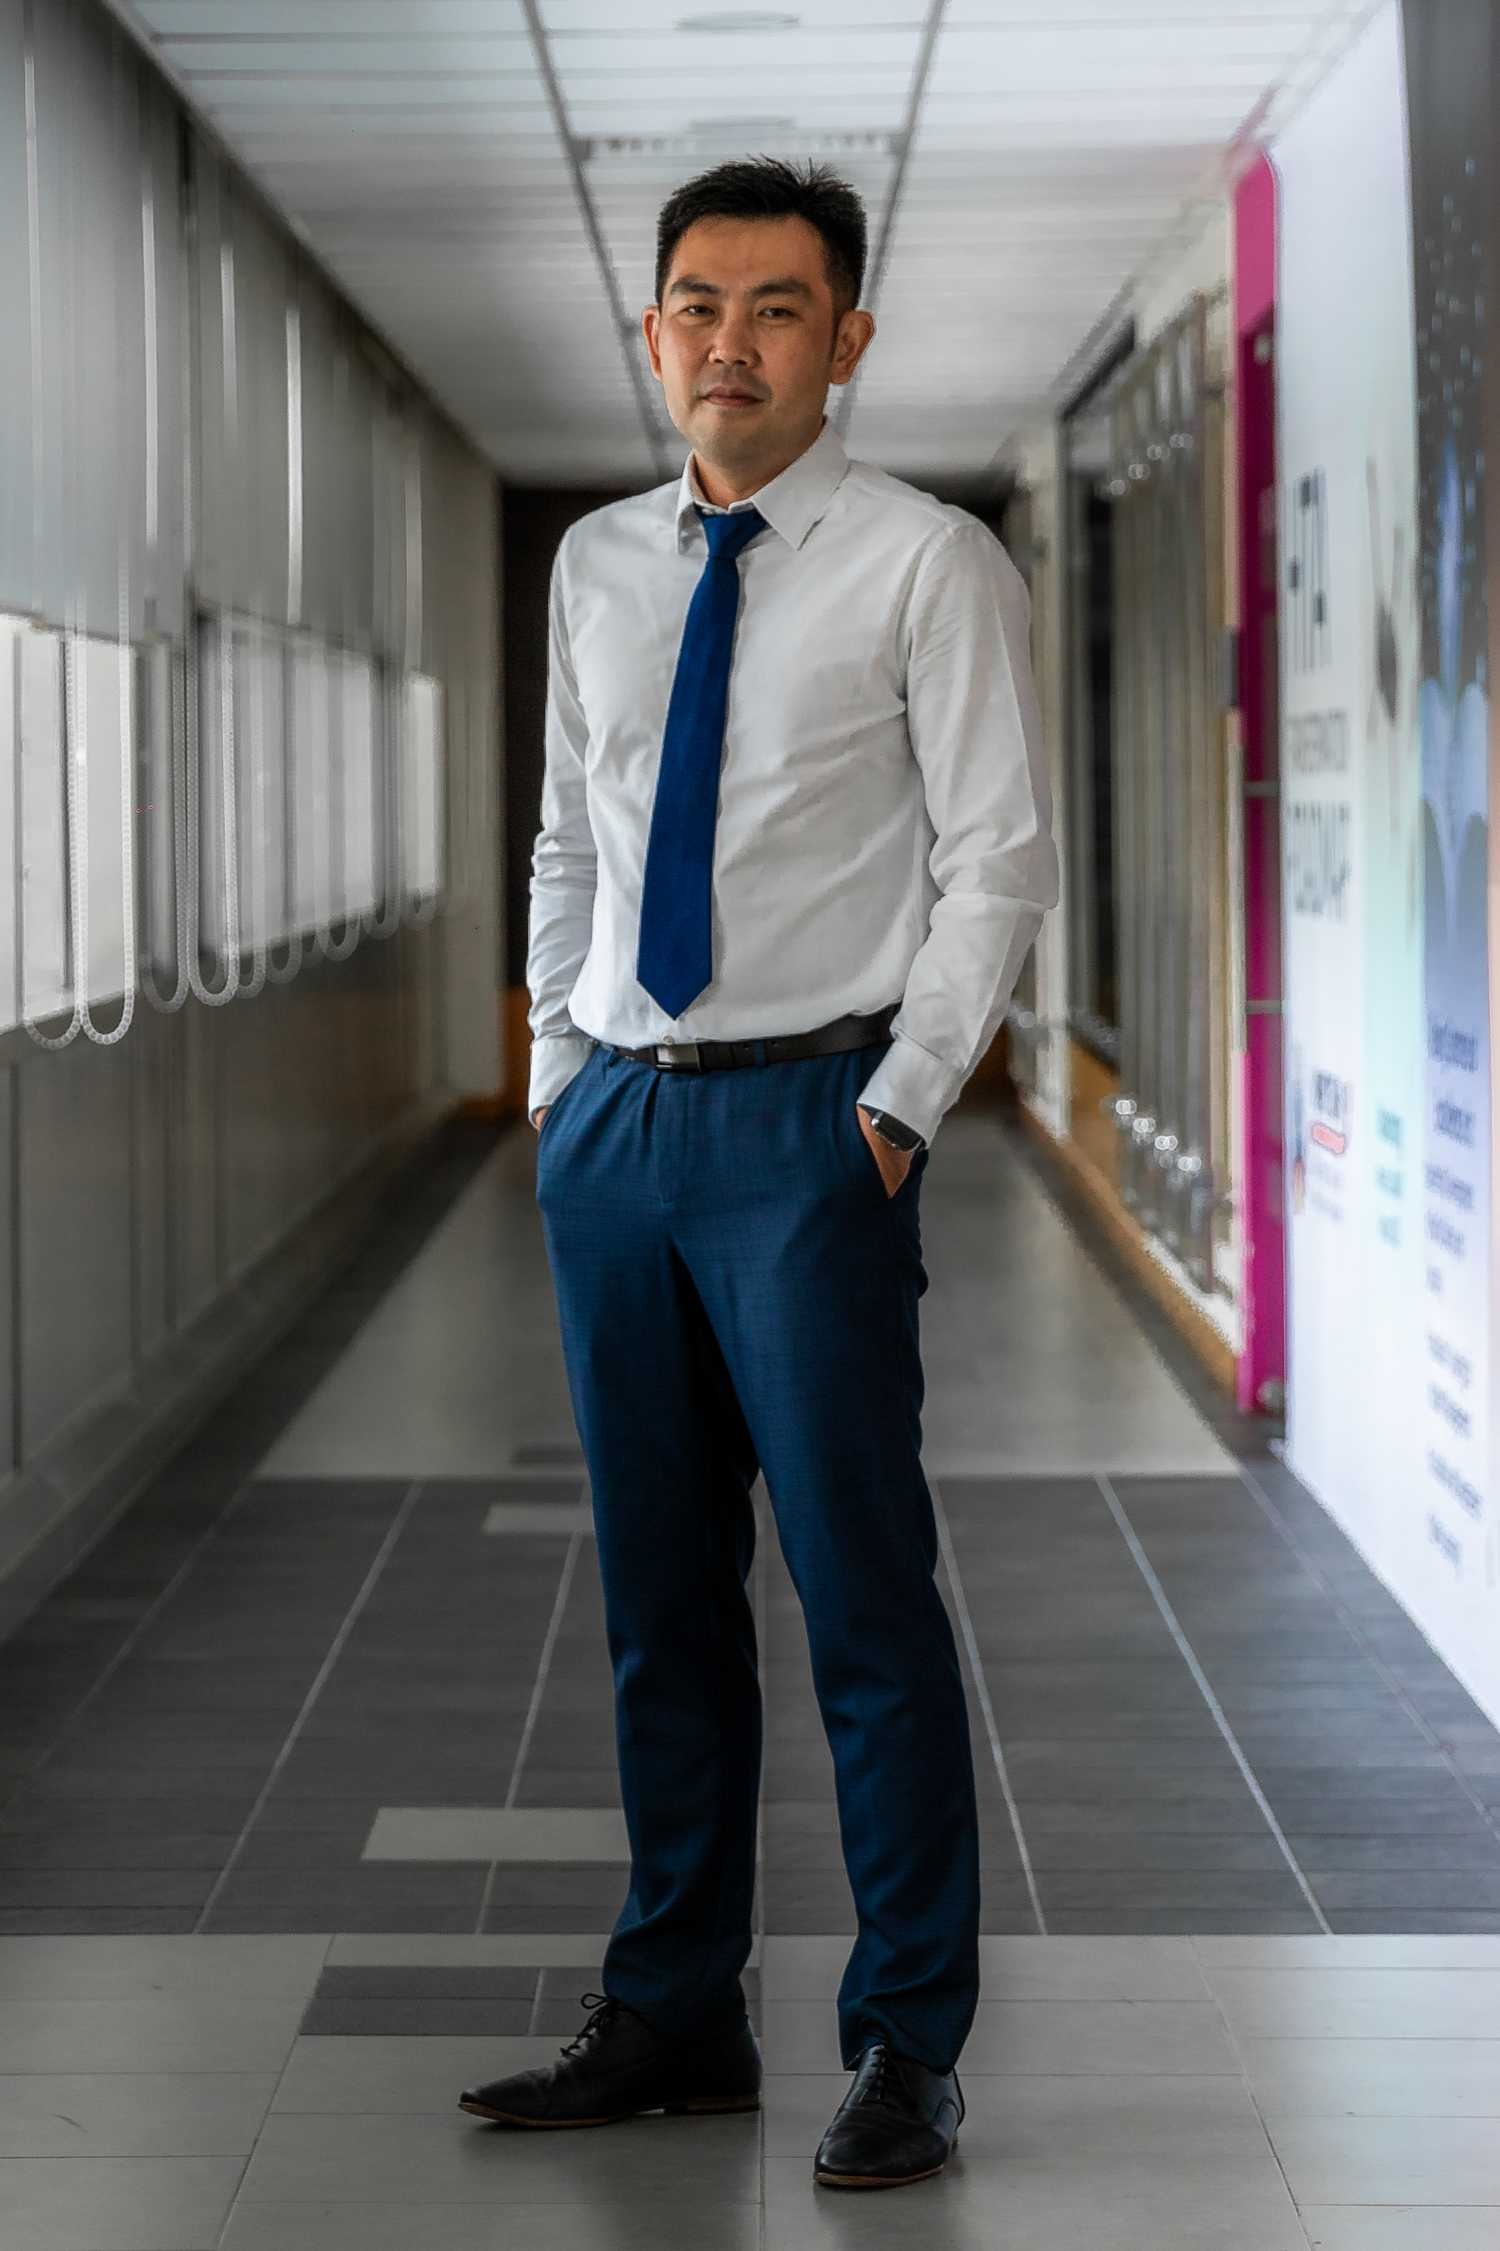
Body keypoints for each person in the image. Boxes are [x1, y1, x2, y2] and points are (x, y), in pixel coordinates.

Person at [459, 155, 1058, 2191]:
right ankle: (676, 2007)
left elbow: (997, 862)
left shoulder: (927, 565)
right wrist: (555, 1073)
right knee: (656, 1602)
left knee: (862, 1595)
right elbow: (567, 837)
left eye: (778, 307)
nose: (731, 339)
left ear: (847, 341)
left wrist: (895, 1105)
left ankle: (906, 2041)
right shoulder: (601, 569)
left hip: (812, 1131)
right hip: (622, 1129)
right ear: (652, 335)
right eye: (698, 304)